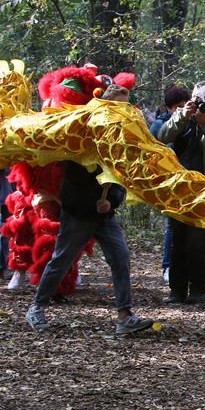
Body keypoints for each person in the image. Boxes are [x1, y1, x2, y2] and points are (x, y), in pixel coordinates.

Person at [25, 85, 154, 335]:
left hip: (105, 216)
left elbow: (120, 180)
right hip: (79, 215)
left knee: (120, 258)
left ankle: (124, 316)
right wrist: (90, 203)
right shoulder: (81, 136)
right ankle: (37, 307)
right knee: (60, 261)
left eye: (126, 107)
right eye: (117, 106)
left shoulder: (121, 140)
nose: (123, 112)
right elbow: (71, 184)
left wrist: (111, 201)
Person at [157, 81, 205, 304]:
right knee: (177, 241)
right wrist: (183, 116)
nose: (199, 104)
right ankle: (176, 290)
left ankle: (198, 288)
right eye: (196, 99)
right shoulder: (182, 117)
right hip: (179, 189)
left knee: (197, 242)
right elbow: (162, 137)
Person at [149, 86, 190, 284]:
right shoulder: (159, 125)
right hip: (168, 181)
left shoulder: (190, 123)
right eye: (179, 107)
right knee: (171, 226)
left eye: (185, 106)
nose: (183, 110)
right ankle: (168, 266)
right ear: (169, 107)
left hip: (186, 180)